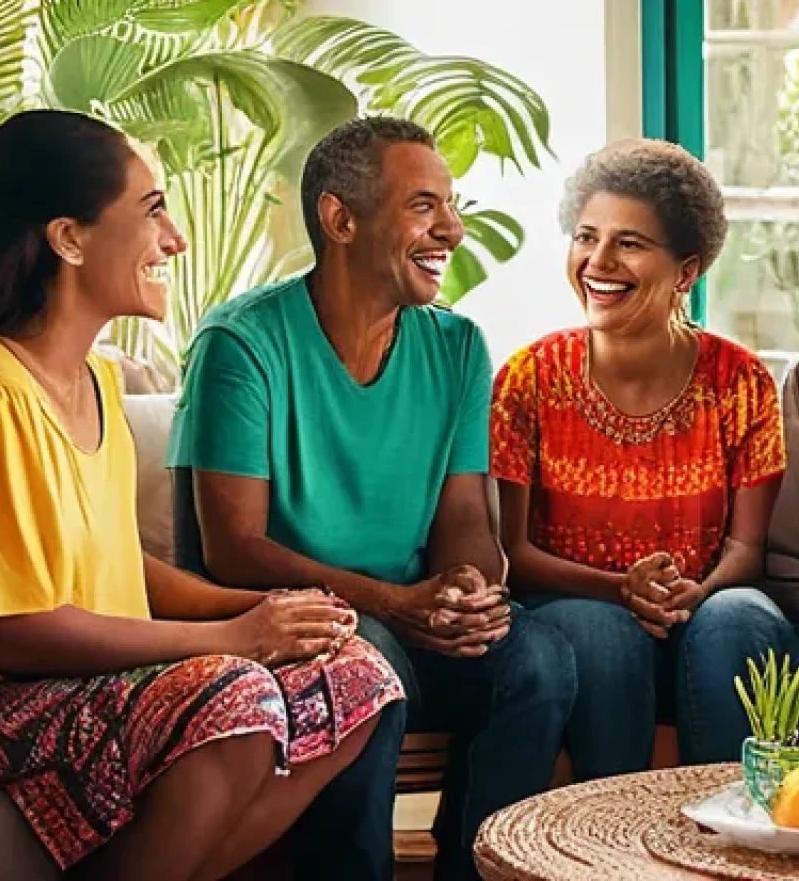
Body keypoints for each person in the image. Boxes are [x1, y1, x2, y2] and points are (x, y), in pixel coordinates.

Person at [166, 116, 577, 881]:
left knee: (539, 658)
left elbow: (461, 517)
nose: (451, 229)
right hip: (289, 624)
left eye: (451, 205)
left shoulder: (455, 346)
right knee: (366, 662)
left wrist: (467, 590)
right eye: (425, 206)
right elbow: (233, 549)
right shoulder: (241, 344)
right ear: (340, 218)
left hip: (404, 612)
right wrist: (391, 603)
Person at [0, 110, 404, 881]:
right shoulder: (4, 393)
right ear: (68, 237)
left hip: (106, 689)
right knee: (233, 695)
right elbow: (19, 626)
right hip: (23, 696)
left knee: (355, 674)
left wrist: (273, 613)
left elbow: (120, 567)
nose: (175, 239)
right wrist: (233, 639)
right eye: (152, 210)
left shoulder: (98, 381)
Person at [489, 138, 799, 779]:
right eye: (586, 237)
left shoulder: (740, 380)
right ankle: (611, 846)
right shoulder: (529, 377)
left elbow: (745, 550)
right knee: (604, 631)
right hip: (575, 609)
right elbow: (515, 556)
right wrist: (621, 591)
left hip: (705, 605)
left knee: (739, 617)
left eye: (629, 243)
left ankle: (732, 837)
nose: (598, 261)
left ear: (686, 270)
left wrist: (698, 591)